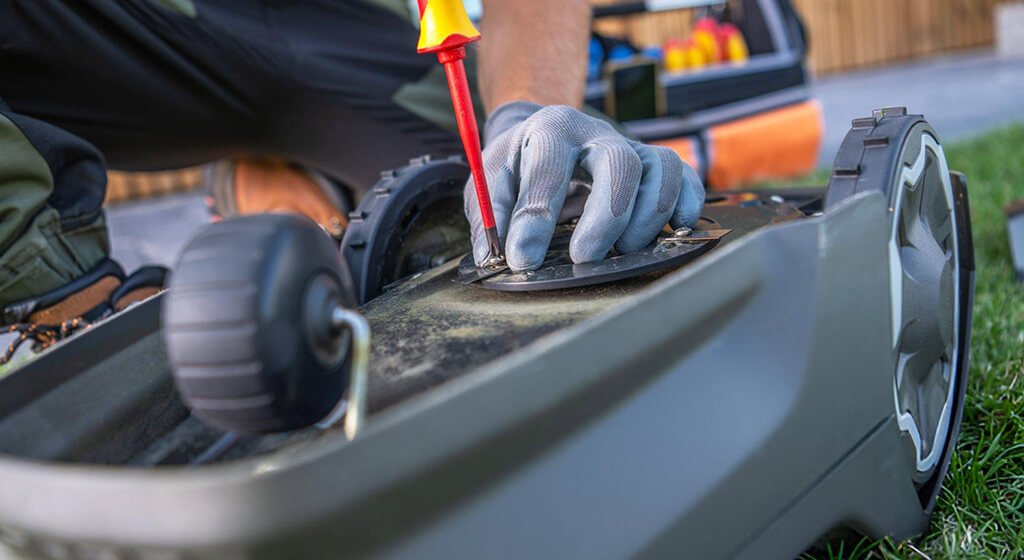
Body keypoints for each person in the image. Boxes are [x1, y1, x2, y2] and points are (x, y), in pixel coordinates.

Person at [0, 0, 704, 370]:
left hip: (343, 25)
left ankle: (288, 180)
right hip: (105, 26)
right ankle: (53, 302)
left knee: (542, 202)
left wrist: (526, 110)